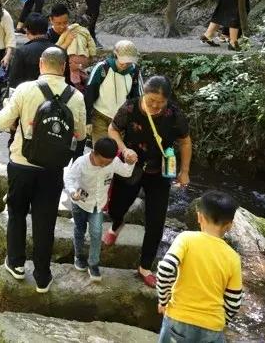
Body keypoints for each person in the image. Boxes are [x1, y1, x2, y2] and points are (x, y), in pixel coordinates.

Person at [0, 47, 87, 292]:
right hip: (52, 169)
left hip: (21, 164)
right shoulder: (76, 96)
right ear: (64, 67)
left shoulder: (25, 89)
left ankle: (16, 263)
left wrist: (11, 109)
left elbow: (0, 122)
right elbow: (80, 134)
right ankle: (43, 275)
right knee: (45, 220)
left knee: (17, 212)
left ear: (41, 63)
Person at [105, 75, 191, 287]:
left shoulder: (174, 114)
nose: (155, 106)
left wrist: (184, 171)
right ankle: (117, 224)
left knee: (156, 221)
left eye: (160, 103)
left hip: (159, 173)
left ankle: (145, 266)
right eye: (151, 100)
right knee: (116, 207)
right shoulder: (130, 108)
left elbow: (185, 142)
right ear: (144, 93)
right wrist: (124, 149)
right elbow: (113, 129)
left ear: (167, 100)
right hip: (130, 167)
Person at [157, 191, 244, 343]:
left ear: (199, 217)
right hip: (212, 329)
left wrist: (163, 300)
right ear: (230, 225)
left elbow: (165, 269)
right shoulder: (233, 257)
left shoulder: (186, 238)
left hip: (179, 319)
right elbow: (234, 300)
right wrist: (222, 320)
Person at [63, 136, 135, 282]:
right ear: (93, 153)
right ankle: (79, 256)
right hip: (80, 203)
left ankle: (93, 264)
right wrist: (72, 192)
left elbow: (126, 172)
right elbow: (69, 178)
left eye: (107, 163)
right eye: (101, 162)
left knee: (96, 233)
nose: (104, 165)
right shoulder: (81, 162)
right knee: (79, 230)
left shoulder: (113, 162)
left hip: (97, 205)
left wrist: (130, 162)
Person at [84, 40, 143, 143]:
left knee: (118, 150)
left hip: (121, 119)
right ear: (115, 56)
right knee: (101, 148)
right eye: (123, 61)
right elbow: (89, 93)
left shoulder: (134, 72)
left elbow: (138, 98)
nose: (125, 65)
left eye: (129, 62)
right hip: (100, 116)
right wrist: (87, 120)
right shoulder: (102, 68)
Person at [7, 12, 51, 88]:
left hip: (28, 92)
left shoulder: (22, 51)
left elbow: (14, 81)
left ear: (27, 30)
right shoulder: (57, 50)